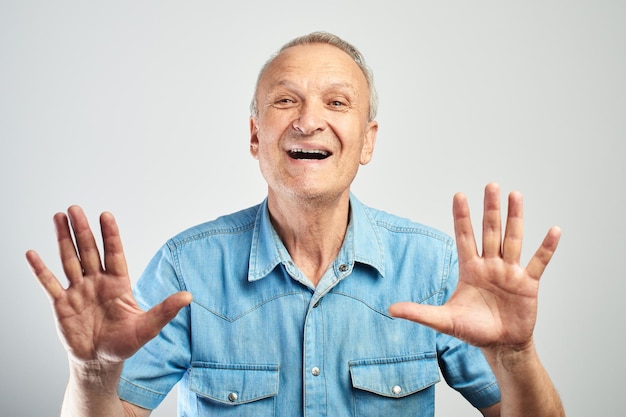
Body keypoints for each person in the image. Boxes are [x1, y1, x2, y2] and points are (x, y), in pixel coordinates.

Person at [26, 32, 565, 416]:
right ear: (256, 136)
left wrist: (516, 356)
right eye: (286, 101)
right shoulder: (185, 267)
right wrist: (93, 375)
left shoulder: (433, 266)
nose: (309, 120)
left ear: (368, 140)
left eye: (336, 101)